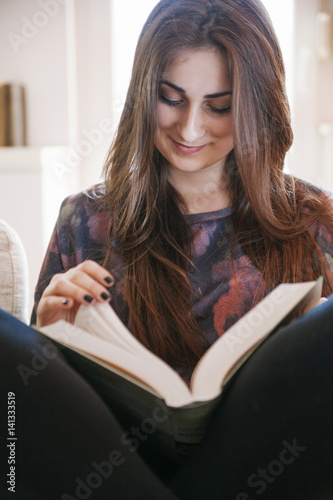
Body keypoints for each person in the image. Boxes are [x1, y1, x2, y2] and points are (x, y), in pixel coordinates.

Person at [1, 0, 333, 498]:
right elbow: (25, 421)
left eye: (219, 106)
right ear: (143, 93)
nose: (191, 129)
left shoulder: (314, 220)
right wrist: (46, 340)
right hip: (116, 468)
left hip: (264, 468)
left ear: (256, 105)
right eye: (171, 98)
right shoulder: (84, 218)